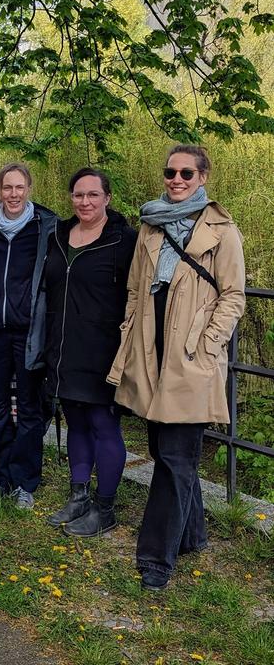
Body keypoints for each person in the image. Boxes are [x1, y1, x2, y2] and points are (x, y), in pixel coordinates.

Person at [108, 145, 245, 590]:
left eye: (187, 172)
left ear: (203, 177)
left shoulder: (223, 231)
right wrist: (131, 331)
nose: (177, 179)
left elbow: (234, 296)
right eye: (170, 171)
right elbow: (135, 288)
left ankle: (155, 559)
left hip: (191, 358)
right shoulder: (150, 225)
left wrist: (207, 345)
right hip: (152, 353)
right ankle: (193, 536)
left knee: (173, 458)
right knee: (171, 453)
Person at [43, 168, 137, 536]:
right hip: (64, 348)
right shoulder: (58, 236)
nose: (85, 202)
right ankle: (79, 495)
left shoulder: (123, 240)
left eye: (93, 195)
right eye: (79, 195)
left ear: (107, 198)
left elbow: (139, 294)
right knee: (76, 422)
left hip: (104, 351)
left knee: (103, 424)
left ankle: (105, 506)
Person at [0, 162, 57, 509]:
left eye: (19, 188)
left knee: (30, 411)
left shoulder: (44, 228)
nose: (13, 194)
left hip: (29, 331)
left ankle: (24, 482)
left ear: (28, 189)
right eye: (7, 188)